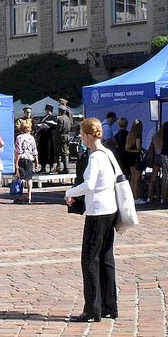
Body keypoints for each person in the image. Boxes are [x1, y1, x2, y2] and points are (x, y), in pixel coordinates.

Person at [64, 118, 118, 323]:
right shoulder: (108, 153)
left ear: (87, 136)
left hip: (97, 212)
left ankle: (92, 309)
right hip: (110, 209)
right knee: (106, 259)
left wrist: (70, 192)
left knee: (89, 260)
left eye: (81, 134)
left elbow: (89, 184)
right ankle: (109, 305)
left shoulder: (95, 157)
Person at [14, 120, 38, 203]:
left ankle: (20, 196)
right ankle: (29, 196)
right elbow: (35, 150)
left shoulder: (19, 137)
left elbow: (18, 151)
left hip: (22, 158)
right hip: (30, 159)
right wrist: (36, 162)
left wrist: (16, 162)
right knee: (29, 178)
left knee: (21, 177)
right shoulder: (32, 138)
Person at [125, 120, 145, 204]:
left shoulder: (129, 135)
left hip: (130, 158)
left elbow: (127, 148)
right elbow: (138, 147)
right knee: (137, 179)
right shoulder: (138, 135)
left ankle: (131, 197)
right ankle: (136, 197)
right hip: (137, 158)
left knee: (132, 178)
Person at [36, 104, 58, 173]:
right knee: (43, 152)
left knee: (50, 152)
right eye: (47, 110)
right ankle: (43, 167)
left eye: (49, 111)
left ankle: (51, 166)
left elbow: (55, 126)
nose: (47, 112)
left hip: (50, 138)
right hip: (43, 138)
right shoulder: (43, 118)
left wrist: (49, 126)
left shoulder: (53, 118)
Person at [146, 129, 163, 204]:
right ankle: (163, 197)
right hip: (163, 157)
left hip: (155, 157)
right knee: (164, 178)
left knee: (153, 177)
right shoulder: (164, 136)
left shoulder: (155, 136)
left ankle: (149, 197)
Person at [55, 103, 73, 174]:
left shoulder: (60, 119)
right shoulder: (68, 119)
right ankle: (66, 167)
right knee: (66, 152)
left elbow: (59, 129)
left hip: (61, 137)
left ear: (60, 111)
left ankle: (66, 168)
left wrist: (55, 131)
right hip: (67, 136)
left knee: (63, 153)